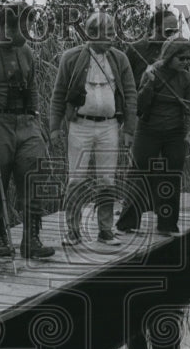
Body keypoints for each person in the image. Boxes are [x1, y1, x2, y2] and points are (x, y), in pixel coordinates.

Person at [48, 13, 137, 247]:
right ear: (92, 34)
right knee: (76, 180)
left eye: (112, 32)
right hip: (79, 125)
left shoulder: (120, 59)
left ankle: (105, 230)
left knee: (107, 180)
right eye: (106, 34)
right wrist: (54, 127)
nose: (112, 38)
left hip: (110, 126)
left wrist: (129, 129)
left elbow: (130, 93)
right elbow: (58, 94)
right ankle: (73, 231)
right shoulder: (71, 58)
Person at [0, 1, 55, 259]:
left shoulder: (26, 51)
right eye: (25, 26)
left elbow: (32, 86)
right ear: (7, 27)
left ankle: (31, 238)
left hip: (25, 122)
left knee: (35, 171)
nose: (29, 32)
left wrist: (36, 117)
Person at [115, 35, 190, 235]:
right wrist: (150, 84)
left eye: (188, 58)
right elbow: (140, 105)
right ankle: (127, 222)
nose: (185, 62)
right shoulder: (151, 72)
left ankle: (167, 224)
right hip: (148, 129)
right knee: (139, 173)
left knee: (171, 175)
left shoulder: (187, 78)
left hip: (175, 133)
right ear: (170, 56)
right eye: (182, 58)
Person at [124, 7, 180, 89]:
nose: (173, 35)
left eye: (175, 31)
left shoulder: (177, 50)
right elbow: (124, 78)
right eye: (169, 31)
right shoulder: (135, 48)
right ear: (156, 27)